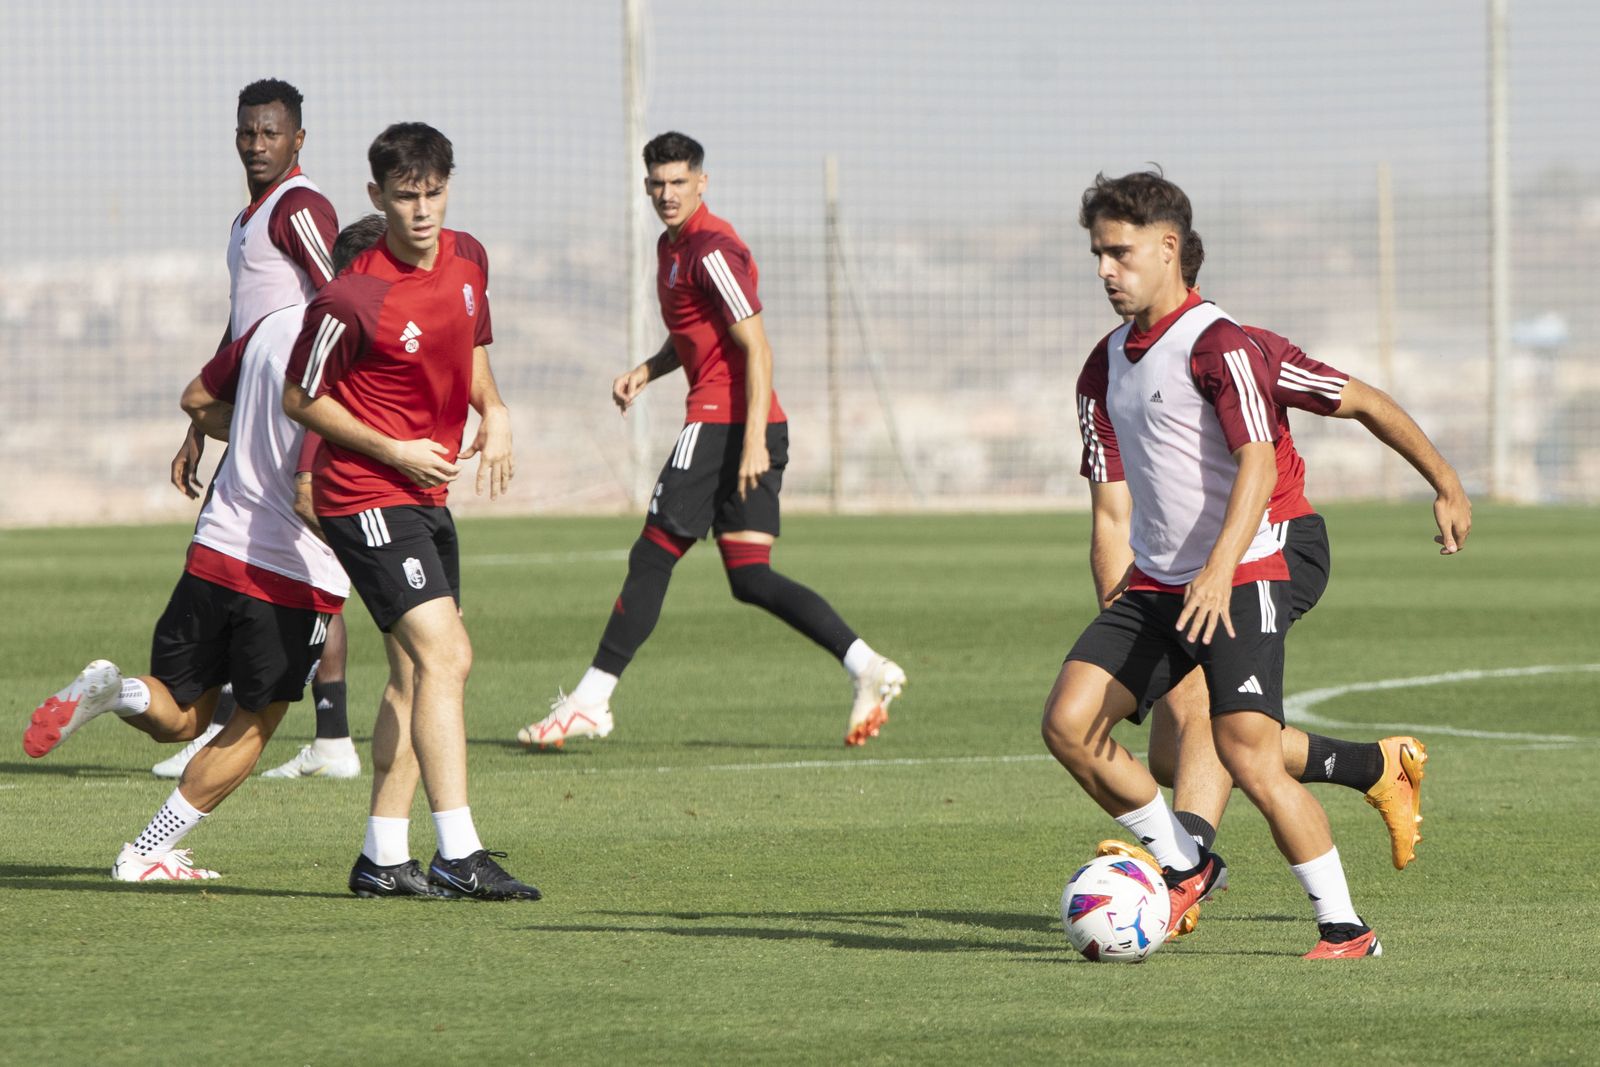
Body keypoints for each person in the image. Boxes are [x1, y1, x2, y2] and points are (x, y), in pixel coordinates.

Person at [1045, 169, 1380, 959]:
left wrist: (1220, 568)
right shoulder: (1102, 367)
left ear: (1169, 248)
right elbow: (1110, 513)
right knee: (1070, 723)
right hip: (1155, 586)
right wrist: (1120, 620)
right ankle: (1186, 859)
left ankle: (1346, 926)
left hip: (1249, 571)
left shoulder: (1222, 345)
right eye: (1097, 254)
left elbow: (1259, 466)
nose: (1104, 270)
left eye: (1119, 253)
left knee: (1246, 754)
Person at [1091, 237, 1471, 932]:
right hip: (1178, 573)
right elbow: (1111, 509)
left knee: (1210, 716)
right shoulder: (1121, 366)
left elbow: (1365, 402)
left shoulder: (1248, 352)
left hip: (1279, 544)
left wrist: (1446, 483)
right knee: (1180, 750)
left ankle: (1189, 871)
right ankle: (1374, 764)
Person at [18, 219, 392, 883]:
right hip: (290, 571)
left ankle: (111, 690)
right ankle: (147, 849)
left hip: (216, 544)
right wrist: (377, 565)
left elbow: (196, 400)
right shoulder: (351, 353)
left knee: (182, 712)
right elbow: (311, 491)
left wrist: (253, 432)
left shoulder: (274, 324)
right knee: (253, 724)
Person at [517, 131, 905, 751]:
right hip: (739, 422)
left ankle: (591, 701)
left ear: (702, 182)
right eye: (657, 184)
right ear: (647, 186)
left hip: (728, 423)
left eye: (678, 182)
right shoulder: (671, 248)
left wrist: (750, 442)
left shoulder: (713, 248)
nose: (667, 194)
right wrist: (648, 368)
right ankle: (866, 665)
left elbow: (757, 346)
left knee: (651, 556)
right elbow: (698, 337)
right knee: (750, 575)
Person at [283, 122, 538, 901]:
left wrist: (493, 409)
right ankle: (458, 852)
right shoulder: (352, 295)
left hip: (427, 496)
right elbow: (300, 398)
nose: (421, 210)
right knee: (447, 657)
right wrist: (393, 451)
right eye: (404, 196)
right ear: (376, 198)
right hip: (364, 493)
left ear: (448, 188)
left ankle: (380, 856)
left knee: (411, 678)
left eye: (432, 193)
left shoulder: (469, 257)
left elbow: (471, 345)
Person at [158, 77, 359, 782]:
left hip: (295, 413)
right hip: (253, 409)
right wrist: (200, 425)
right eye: (247, 131)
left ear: (298, 138)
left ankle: (324, 735)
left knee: (296, 561)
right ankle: (237, 729)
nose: (256, 143)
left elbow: (338, 295)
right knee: (256, 558)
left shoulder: (300, 205)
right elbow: (242, 323)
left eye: (271, 132)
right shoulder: (246, 219)